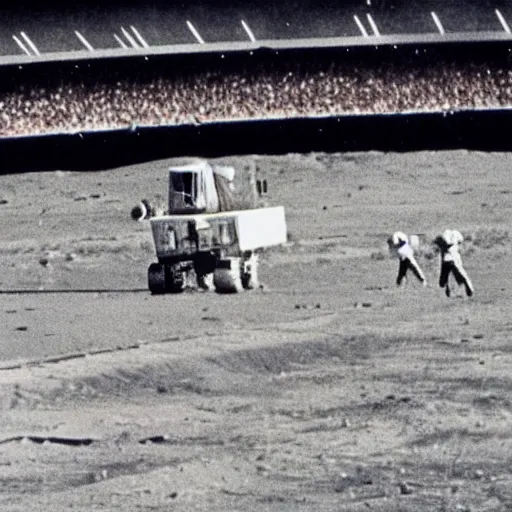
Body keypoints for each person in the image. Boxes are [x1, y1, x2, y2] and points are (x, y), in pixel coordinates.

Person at [434, 229, 474, 297]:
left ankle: (449, 290)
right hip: (455, 258)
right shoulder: (456, 236)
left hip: (446, 260)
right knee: (462, 274)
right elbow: (461, 241)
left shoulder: (444, 238)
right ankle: (468, 288)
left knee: (444, 280)